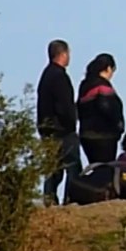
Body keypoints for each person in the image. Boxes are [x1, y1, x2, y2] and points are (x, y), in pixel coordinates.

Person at [36, 39, 80, 205]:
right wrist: (71, 123)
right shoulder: (60, 77)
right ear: (63, 54)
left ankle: (49, 198)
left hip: (47, 129)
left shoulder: (46, 75)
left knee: (53, 167)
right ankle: (71, 199)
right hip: (62, 130)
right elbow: (64, 105)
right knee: (73, 166)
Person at [77, 53, 125, 165]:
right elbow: (107, 107)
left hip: (86, 135)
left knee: (94, 168)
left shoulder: (84, 85)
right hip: (104, 136)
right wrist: (118, 124)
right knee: (105, 169)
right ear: (108, 68)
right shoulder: (103, 87)